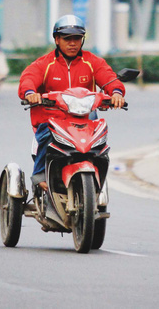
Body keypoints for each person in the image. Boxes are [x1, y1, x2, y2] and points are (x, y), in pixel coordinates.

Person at [18, 15, 126, 192]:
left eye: (77, 38)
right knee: (47, 136)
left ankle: (98, 171)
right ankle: (40, 174)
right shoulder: (44, 64)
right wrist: (30, 93)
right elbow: (29, 78)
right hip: (52, 118)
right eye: (67, 39)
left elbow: (109, 77)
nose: (72, 43)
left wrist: (116, 93)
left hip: (86, 119)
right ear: (57, 39)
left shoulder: (92, 62)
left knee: (101, 142)